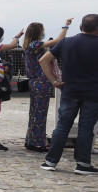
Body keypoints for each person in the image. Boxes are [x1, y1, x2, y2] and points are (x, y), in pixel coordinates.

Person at [39, 14, 98, 175]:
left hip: (69, 90)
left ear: (81, 27)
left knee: (63, 126)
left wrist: (54, 81)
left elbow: (43, 60)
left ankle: (50, 161)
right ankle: (82, 163)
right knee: (86, 128)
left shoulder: (67, 42)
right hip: (93, 92)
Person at [22, 19, 73, 152]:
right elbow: (57, 41)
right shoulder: (36, 44)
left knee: (34, 112)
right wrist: (65, 26)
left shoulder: (29, 45)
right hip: (41, 81)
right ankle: (38, 142)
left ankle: (31, 139)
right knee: (40, 112)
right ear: (39, 32)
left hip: (33, 81)